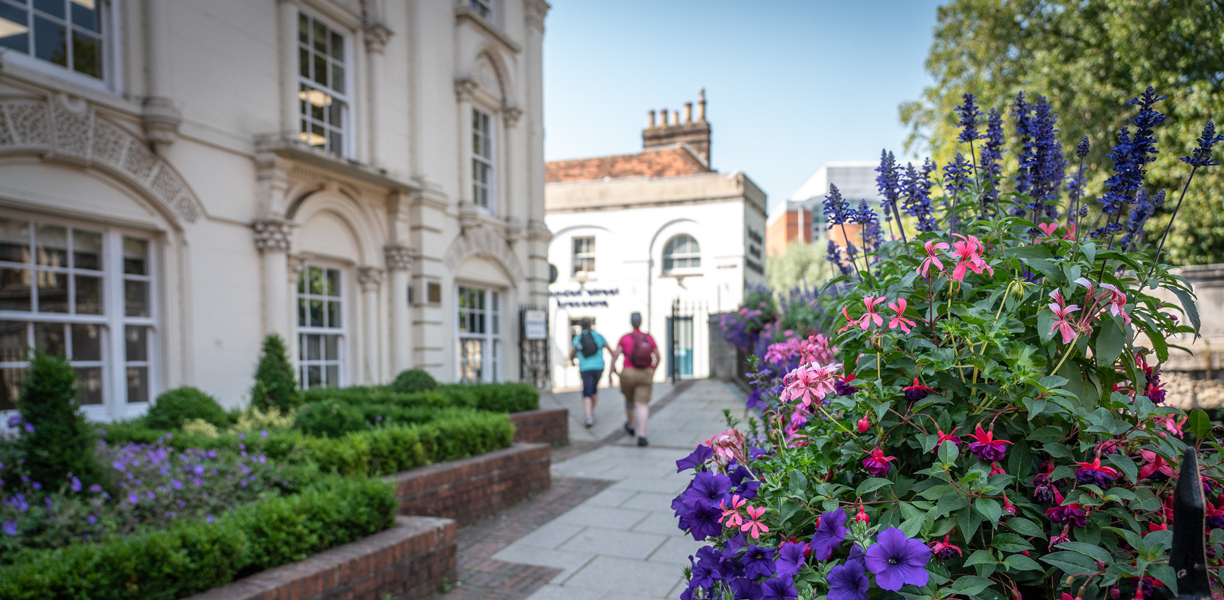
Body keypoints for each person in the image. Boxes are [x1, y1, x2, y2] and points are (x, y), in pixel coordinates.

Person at [610, 312, 659, 447]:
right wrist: (652, 370)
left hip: (628, 373)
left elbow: (616, 355)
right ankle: (642, 435)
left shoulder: (625, 338)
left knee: (630, 400)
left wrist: (612, 371)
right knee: (642, 404)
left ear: (631, 322)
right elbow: (657, 356)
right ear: (641, 322)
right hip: (645, 373)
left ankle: (631, 426)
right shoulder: (648, 338)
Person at [570, 317, 612, 428]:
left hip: (585, 367)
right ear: (591, 325)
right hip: (599, 366)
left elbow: (572, 352)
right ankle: (590, 412)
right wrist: (614, 366)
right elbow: (610, 349)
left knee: (587, 391)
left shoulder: (578, 338)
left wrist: (572, 361)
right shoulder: (598, 336)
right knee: (594, 390)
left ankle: (588, 415)